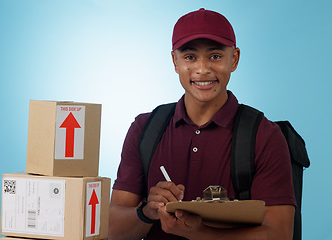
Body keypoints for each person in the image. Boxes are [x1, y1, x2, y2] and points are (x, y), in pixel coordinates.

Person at [109, 8, 296, 240]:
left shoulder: (264, 136)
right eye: (189, 57)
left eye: (215, 56)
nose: (202, 69)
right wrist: (148, 211)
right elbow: (113, 229)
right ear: (175, 61)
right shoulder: (144, 129)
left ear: (234, 59)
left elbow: (279, 233)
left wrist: (199, 233)